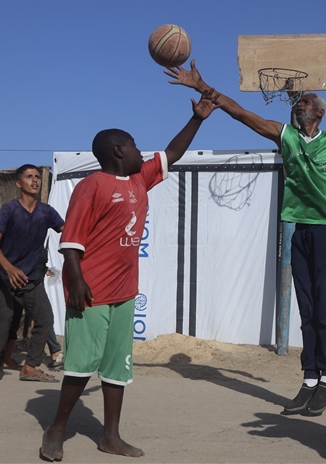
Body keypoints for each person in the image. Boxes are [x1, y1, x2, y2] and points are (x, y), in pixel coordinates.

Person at [166, 60, 326, 417]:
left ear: (319, 112)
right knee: (307, 309)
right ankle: (310, 380)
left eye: (305, 102)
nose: (298, 104)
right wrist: (202, 86)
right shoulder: (284, 136)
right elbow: (239, 113)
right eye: (297, 103)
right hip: (299, 229)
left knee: (325, 307)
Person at [40, 90, 217, 461]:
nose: (142, 152)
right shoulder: (91, 187)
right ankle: (57, 429)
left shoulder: (139, 180)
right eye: (135, 146)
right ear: (118, 151)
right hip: (91, 291)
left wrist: (198, 118)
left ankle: (111, 437)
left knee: (117, 367)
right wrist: (77, 282)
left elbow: (172, 153)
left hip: (124, 292)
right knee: (80, 365)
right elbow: (71, 241)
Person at [0, 165, 65, 389]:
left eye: (37, 177)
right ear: (18, 183)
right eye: (29, 177)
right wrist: (9, 268)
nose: (35, 180)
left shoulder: (46, 212)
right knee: (3, 319)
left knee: (45, 319)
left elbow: (69, 229)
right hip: (2, 274)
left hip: (29, 277)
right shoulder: (9, 209)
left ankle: (30, 368)